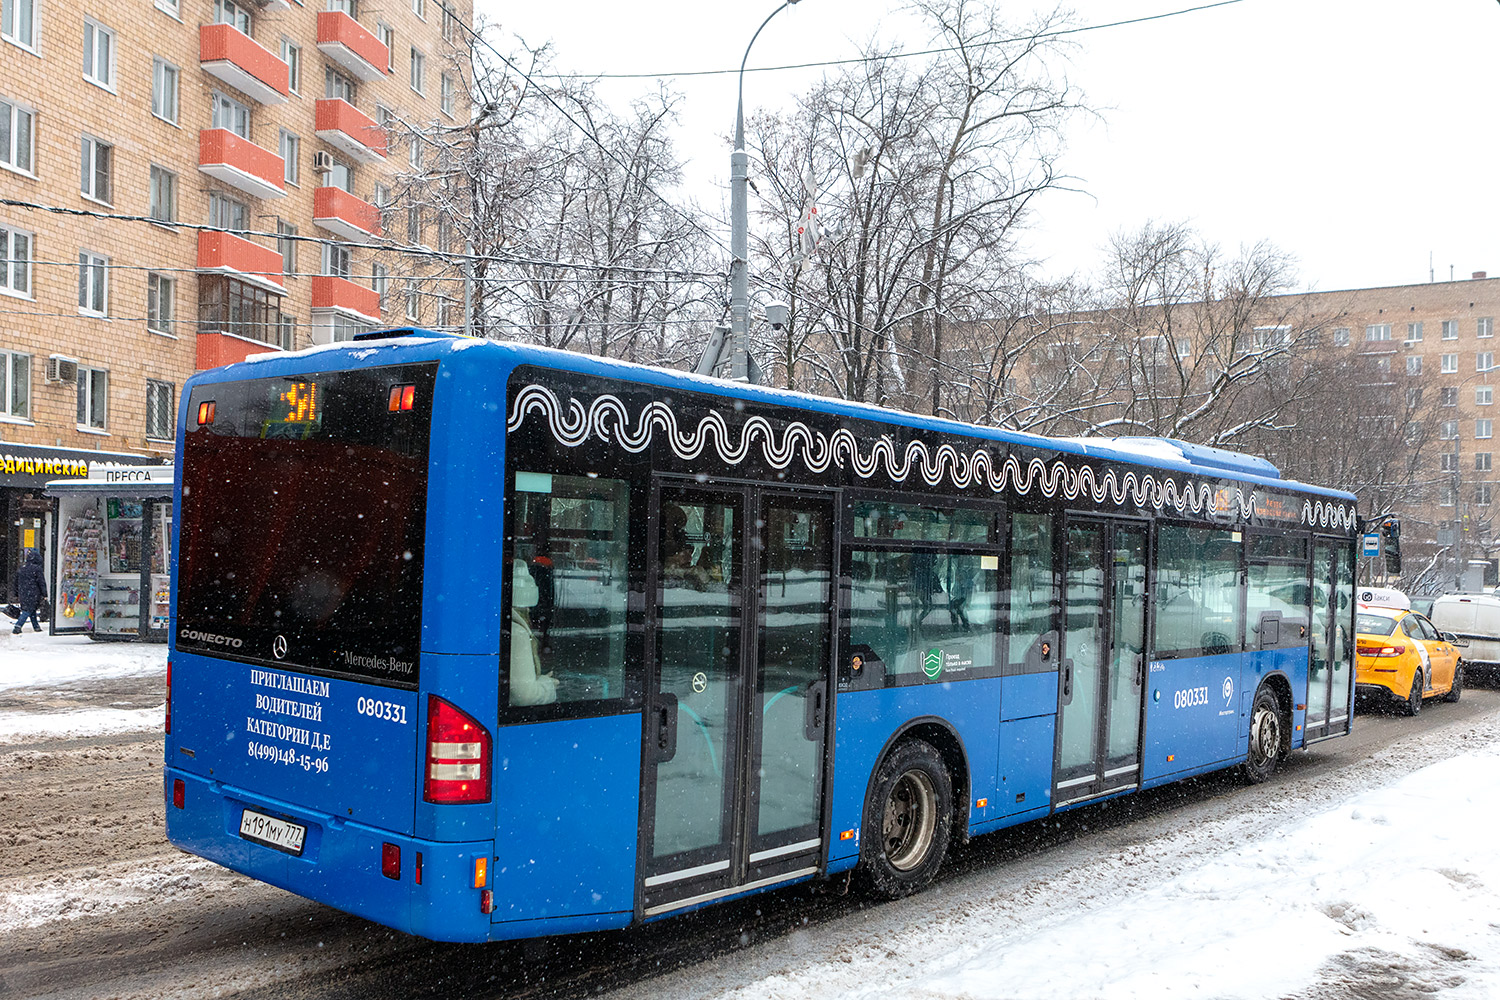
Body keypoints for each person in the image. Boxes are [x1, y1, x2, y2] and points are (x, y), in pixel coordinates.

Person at [509, 559, 558, 706]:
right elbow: (525, 695)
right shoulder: (517, 633)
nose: (530, 612)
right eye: (529, 608)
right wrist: (548, 685)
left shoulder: (504, 626)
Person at [13, 550, 47, 635]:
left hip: (23, 592)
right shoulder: (37, 569)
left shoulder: (22, 568)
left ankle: (36, 626)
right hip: (34, 593)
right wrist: (44, 593)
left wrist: (16, 593)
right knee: (27, 610)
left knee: (31, 609)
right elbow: (41, 582)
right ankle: (18, 626)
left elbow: (16, 582)